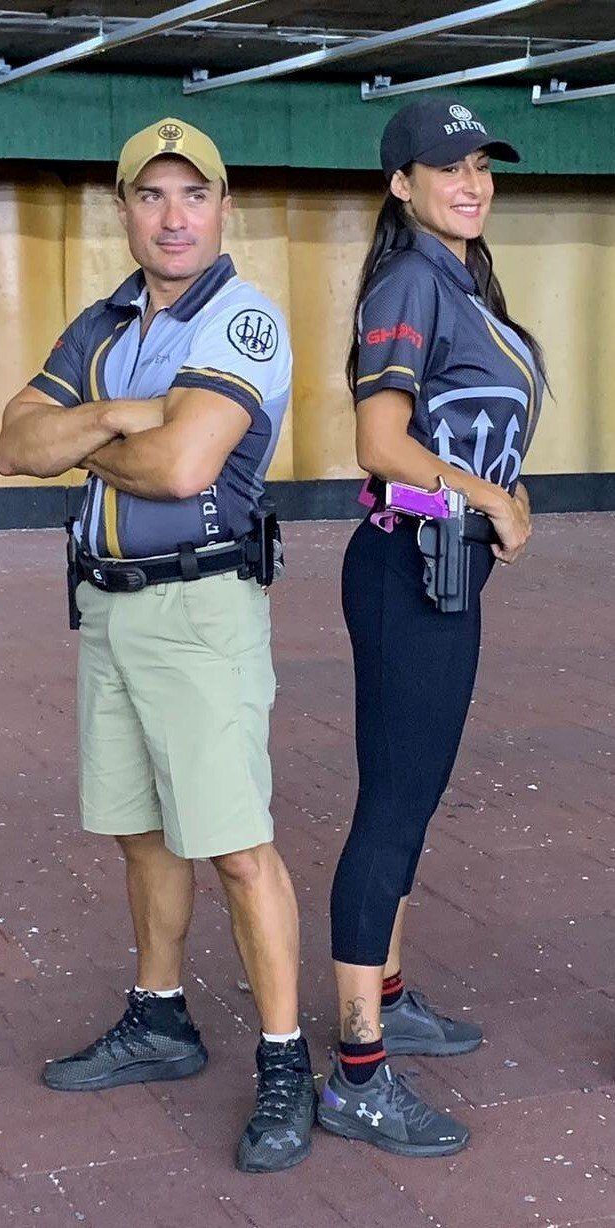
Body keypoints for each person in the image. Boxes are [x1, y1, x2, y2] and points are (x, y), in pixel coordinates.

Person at [0, 117, 316, 1174]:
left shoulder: (243, 318)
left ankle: (285, 1059)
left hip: (198, 611)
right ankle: (161, 1014)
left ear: (223, 208)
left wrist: (85, 434)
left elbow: (183, 469)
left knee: (235, 844)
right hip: (107, 606)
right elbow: (12, 444)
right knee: (140, 831)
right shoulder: (103, 323)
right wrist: (122, 414)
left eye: (193, 194)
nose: (174, 217)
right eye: (151, 195)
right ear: (125, 210)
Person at [318, 98, 545, 1156]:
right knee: (391, 811)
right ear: (400, 184)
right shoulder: (411, 279)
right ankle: (357, 1073)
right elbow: (380, 441)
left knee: (408, 799)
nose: (471, 183)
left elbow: (460, 428)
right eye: (446, 167)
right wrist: (491, 497)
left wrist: (503, 492)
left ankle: (391, 996)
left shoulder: (457, 280)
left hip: (439, 568)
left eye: (482, 166)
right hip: (408, 567)